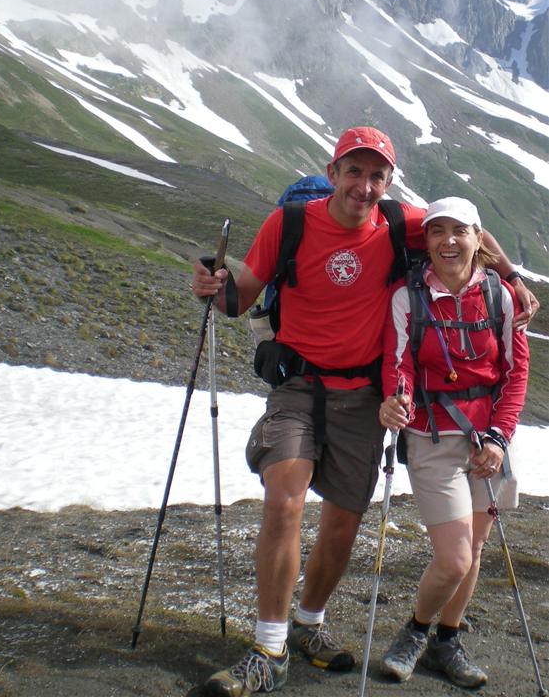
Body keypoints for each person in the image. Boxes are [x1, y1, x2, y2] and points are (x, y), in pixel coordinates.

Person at [191, 128, 537, 696]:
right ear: (333, 173)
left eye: (377, 175)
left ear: (388, 182)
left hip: (361, 399)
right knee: (285, 499)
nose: (365, 185)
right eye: (355, 171)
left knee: (343, 521)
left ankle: (309, 624)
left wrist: (512, 277)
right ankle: (269, 647)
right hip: (298, 387)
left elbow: (466, 229)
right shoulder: (291, 224)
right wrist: (212, 284)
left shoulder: (402, 223)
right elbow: (239, 296)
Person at [379, 197, 529, 689]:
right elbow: (397, 362)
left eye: (458, 231)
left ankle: (447, 640)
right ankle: (417, 630)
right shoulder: (408, 296)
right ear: (425, 242)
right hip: (433, 437)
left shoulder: (500, 296)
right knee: (456, 558)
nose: (448, 240)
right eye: (437, 231)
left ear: (477, 237)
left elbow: (514, 372)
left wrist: (501, 438)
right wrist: (396, 398)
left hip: (488, 443)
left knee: (476, 550)